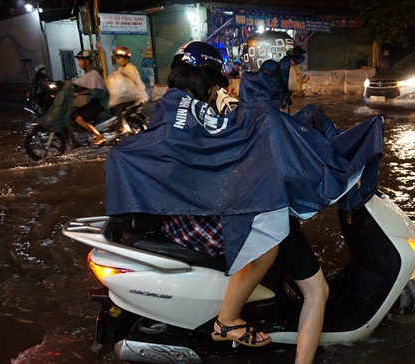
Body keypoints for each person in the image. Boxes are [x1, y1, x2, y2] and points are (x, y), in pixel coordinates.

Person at [104, 36, 382, 364]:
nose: (299, 72)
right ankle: (228, 319)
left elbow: (214, 156)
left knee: (281, 249)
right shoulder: (245, 117)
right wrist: (348, 159)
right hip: (234, 211)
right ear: (272, 68)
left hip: (210, 206)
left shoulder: (187, 110)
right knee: (307, 281)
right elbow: (284, 162)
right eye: (292, 64)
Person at [73, 50, 109, 146]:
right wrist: (76, 93)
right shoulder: (90, 73)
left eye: (80, 60)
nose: (78, 63)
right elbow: (89, 88)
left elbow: (85, 85)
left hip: (100, 103)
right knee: (76, 113)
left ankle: (98, 136)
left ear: (87, 61)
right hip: (96, 101)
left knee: (79, 119)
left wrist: (72, 88)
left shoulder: (92, 73)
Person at [110, 46, 148, 135]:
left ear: (126, 59)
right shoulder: (122, 68)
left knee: (117, 107)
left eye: (120, 58)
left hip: (136, 98)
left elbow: (132, 83)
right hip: (128, 97)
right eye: (117, 58)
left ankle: (123, 128)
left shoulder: (130, 68)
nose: (118, 61)